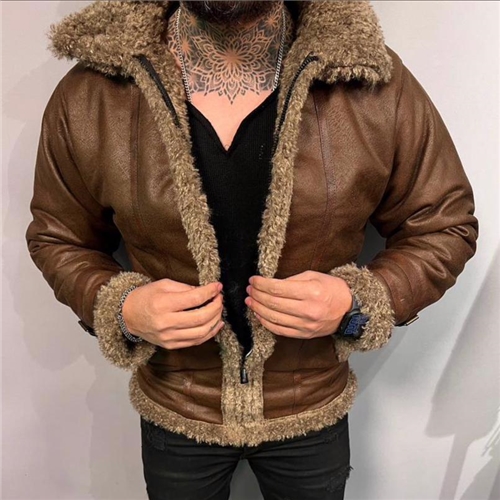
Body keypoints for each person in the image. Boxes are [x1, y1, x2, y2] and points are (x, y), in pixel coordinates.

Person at [25, 1, 479, 499]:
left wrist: (356, 304)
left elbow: (443, 225)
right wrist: (123, 310)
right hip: (176, 407)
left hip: (310, 407)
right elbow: (59, 237)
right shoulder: (93, 92)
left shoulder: (369, 79)